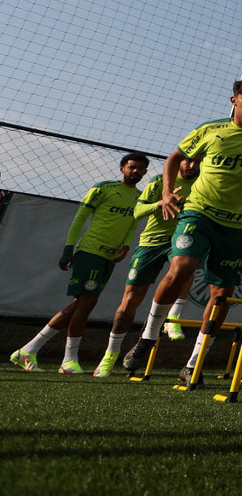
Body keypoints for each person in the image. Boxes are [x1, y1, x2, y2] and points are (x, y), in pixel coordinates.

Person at [121, 79, 242, 386]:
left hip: (237, 224)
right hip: (199, 213)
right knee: (181, 268)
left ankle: (193, 363)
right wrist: (167, 192)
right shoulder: (210, 129)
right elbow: (174, 158)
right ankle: (148, 337)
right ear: (234, 100)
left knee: (222, 294)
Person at [10, 153, 148, 373]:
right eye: (132, 167)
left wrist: (125, 246)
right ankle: (69, 360)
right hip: (90, 252)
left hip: (110, 257)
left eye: (140, 168)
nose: (136, 171)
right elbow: (80, 217)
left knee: (82, 303)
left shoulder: (140, 198)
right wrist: (69, 248)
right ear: (122, 168)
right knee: (86, 303)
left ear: (145, 172)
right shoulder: (103, 188)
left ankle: (28, 350)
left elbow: (132, 224)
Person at [91, 159, 201, 377]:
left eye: (197, 162)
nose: (192, 165)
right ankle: (110, 355)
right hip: (150, 243)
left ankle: (173, 318)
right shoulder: (161, 181)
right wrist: (160, 203)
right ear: (178, 161)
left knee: (185, 265)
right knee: (131, 300)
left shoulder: (203, 183)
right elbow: (138, 211)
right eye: (188, 160)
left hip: (179, 239)